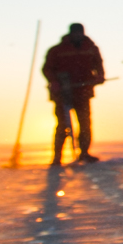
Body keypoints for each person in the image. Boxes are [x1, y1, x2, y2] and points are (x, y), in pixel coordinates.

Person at [42, 23, 106, 166]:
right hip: (63, 94)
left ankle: (84, 153)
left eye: (80, 33)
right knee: (63, 125)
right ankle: (57, 157)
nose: (78, 35)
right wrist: (54, 81)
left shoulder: (91, 48)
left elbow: (98, 65)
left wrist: (100, 76)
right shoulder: (57, 50)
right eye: (75, 33)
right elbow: (47, 69)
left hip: (83, 92)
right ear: (71, 34)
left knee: (84, 124)